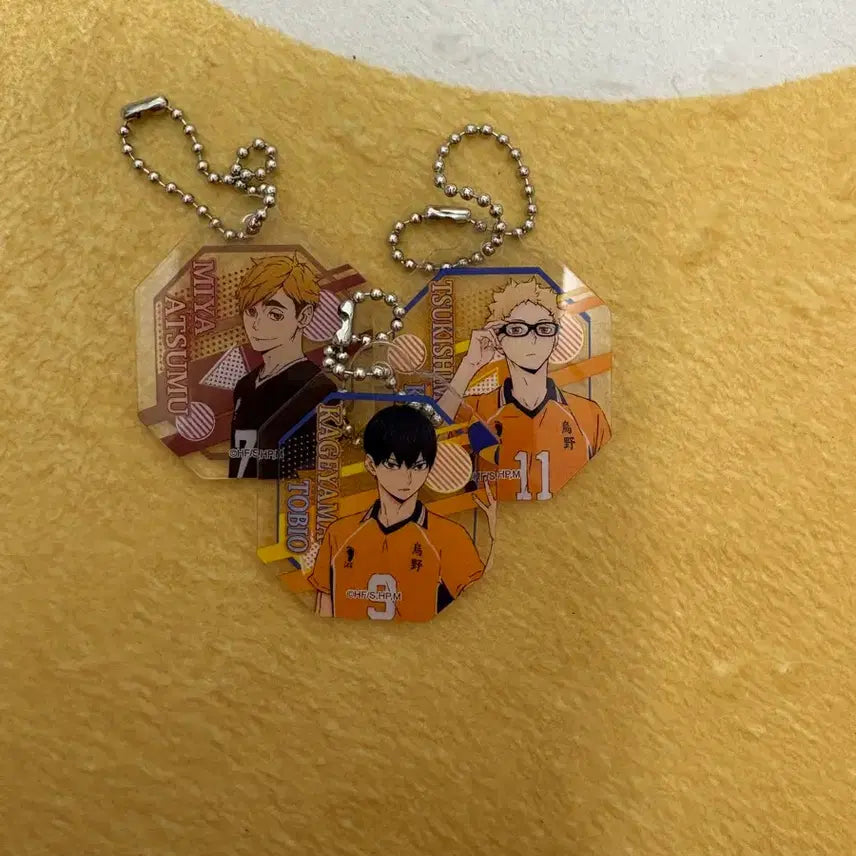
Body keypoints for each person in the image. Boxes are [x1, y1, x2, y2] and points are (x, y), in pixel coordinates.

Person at [308, 405, 497, 621]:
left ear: (430, 467)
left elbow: (482, 604)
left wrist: (495, 538)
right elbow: (322, 612)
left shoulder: (450, 537)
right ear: (371, 465)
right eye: (393, 465)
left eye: (417, 466)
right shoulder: (339, 534)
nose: (406, 479)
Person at [437, 276, 611, 501]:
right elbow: (426, 451)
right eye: (517, 329)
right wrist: (469, 365)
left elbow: (607, 486)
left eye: (544, 328)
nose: (532, 338)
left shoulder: (588, 415)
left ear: (556, 339)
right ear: (498, 338)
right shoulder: (475, 408)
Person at [229, 254, 335, 479]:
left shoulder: (318, 390)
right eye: (251, 312)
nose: (257, 325)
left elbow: (324, 472)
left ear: (304, 316)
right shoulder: (244, 386)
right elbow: (237, 464)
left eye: (274, 315)